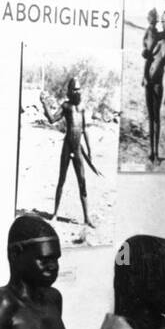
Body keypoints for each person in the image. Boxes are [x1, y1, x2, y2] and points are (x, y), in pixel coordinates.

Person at [42, 77, 98, 226]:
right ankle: (55, 214)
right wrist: (44, 103)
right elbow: (53, 119)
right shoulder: (66, 106)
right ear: (69, 91)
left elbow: (84, 129)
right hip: (67, 147)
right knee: (61, 180)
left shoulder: (82, 107)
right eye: (74, 89)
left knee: (82, 182)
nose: (77, 91)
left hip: (78, 148)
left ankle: (87, 218)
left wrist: (90, 151)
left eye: (79, 89)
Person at [144, 8, 165, 165]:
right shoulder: (155, 36)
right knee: (150, 117)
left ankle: (156, 153)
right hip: (148, 82)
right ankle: (150, 151)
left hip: (158, 83)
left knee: (156, 118)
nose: (164, 25)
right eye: (162, 21)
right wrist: (144, 76)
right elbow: (147, 56)